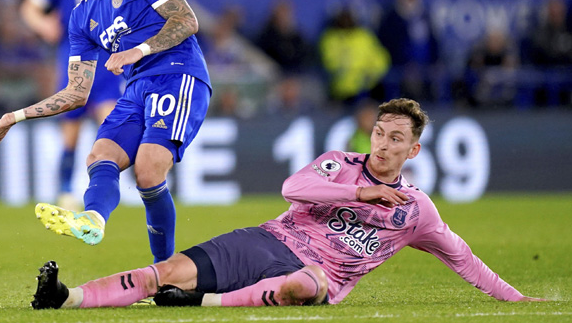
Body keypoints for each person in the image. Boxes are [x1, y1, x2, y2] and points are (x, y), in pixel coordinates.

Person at [27, 98, 544, 309]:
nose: (383, 145)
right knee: (164, 272)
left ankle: (202, 304)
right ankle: (65, 298)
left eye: (395, 139)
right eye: (379, 133)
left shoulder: (416, 212)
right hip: (268, 241)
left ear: (413, 151)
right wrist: (358, 191)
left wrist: (517, 300)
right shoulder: (340, 164)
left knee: (305, 285)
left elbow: (463, 258)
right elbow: (293, 189)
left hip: (319, 274)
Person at [0, 0, 212, 264]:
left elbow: (186, 20)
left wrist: (138, 50)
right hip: (136, 87)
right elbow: (76, 93)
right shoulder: (80, 17)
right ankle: (92, 219)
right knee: (99, 154)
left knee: (148, 170)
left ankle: (165, 270)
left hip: (177, 74)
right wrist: (16, 116)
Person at [20, 0, 123, 210]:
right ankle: (65, 191)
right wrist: (44, 25)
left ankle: (102, 193)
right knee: (71, 134)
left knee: (111, 132)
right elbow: (30, 8)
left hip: (109, 65)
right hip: (75, 62)